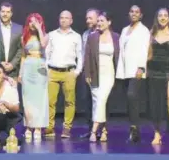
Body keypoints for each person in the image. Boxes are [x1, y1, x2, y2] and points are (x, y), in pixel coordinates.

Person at [146, 8, 169, 146]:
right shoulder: (152, 33)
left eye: (165, 15)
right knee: (155, 104)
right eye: (160, 15)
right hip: (153, 71)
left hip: (167, 71)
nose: (162, 18)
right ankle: (157, 133)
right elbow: (148, 54)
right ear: (157, 18)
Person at [44, 10, 83, 138]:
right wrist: (47, 69)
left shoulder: (76, 36)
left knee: (69, 102)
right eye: (61, 18)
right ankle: (49, 127)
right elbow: (47, 54)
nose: (64, 20)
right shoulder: (52, 35)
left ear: (71, 20)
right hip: (53, 72)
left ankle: (67, 128)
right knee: (50, 101)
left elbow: (80, 55)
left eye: (66, 18)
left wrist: (77, 72)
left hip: (68, 72)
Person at [116, 5, 150, 143]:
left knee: (132, 96)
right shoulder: (125, 30)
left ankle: (135, 129)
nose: (134, 14)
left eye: (137, 12)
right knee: (129, 100)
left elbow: (145, 49)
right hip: (125, 70)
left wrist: (141, 67)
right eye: (131, 11)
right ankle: (134, 129)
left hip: (137, 69)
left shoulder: (144, 30)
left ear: (141, 15)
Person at [83, 11, 119, 143]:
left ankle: (93, 131)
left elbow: (119, 56)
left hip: (109, 74)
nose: (99, 23)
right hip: (95, 74)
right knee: (96, 102)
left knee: (101, 100)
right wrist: (87, 73)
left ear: (109, 22)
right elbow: (86, 56)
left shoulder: (115, 37)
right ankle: (103, 131)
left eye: (102, 21)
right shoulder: (92, 37)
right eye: (98, 21)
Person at [19, 13, 49, 140]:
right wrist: (20, 73)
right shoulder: (24, 37)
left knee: (40, 98)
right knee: (28, 99)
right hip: (28, 67)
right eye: (30, 22)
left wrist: (39, 29)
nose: (33, 24)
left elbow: (43, 44)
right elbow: (23, 56)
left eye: (36, 21)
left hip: (40, 67)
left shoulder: (46, 36)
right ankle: (29, 126)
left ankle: (38, 127)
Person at [78, 8, 100, 139]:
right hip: (86, 73)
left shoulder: (103, 33)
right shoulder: (85, 34)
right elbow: (82, 54)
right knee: (87, 102)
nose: (87, 21)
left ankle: (101, 130)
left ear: (98, 18)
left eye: (90, 18)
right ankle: (91, 128)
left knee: (99, 101)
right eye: (87, 18)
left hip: (99, 72)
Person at [0, 2, 22, 78]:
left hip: (13, 71)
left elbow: (21, 49)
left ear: (11, 14)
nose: (5, 14)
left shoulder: (19, 28)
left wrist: (12, 64)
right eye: (3, 11)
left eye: (8, 12)